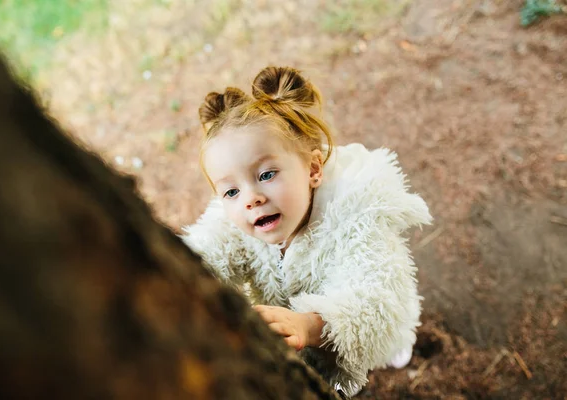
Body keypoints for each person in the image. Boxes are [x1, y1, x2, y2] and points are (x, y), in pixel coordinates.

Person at [181, 66, 432, 397]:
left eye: (267, 174)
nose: (251, 199)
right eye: (230, 191)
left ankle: (401, 347)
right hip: (295, 333)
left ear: (312, 169)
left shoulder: (356, 216)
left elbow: (375, 299)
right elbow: (204, 251)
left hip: (369, 313)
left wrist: (311, 325)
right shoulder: (234, 220)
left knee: (390, 335)